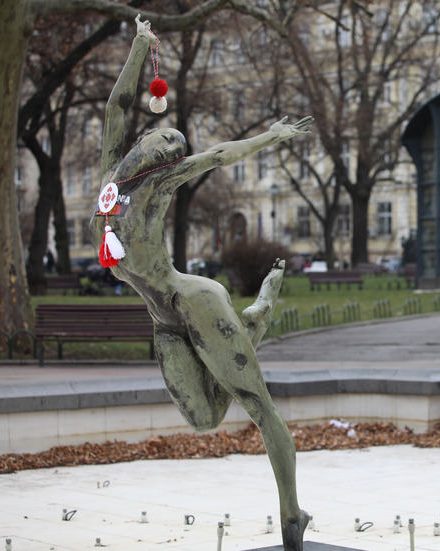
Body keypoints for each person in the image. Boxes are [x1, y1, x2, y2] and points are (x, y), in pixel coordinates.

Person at [89, 15, 312, 549]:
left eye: (175, 147)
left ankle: (292, 513)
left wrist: (271, 136)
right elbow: (115, 106)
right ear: (148, 132)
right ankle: (253, 322)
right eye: (167, 136)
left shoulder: (159, 180)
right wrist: (141, 45)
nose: (171, 144)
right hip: (161, 318)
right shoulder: (112, 173)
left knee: (258, 406)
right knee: (205, 420)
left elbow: (215, 156)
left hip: (191, 301)